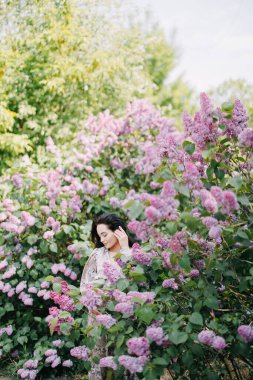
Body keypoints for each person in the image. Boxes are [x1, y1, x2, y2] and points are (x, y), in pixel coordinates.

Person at [80, 213, 134, 380]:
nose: (102, 239)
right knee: (100, 362)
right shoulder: (97, 255)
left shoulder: (133, 253)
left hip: (124, 318)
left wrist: (125, 249)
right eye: (99, 235)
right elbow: (85, 284)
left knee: (123, 363)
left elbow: (134, 282)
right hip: (97, 317)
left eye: (105, 234)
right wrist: (93, 308)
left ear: (118, 231)